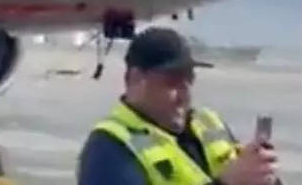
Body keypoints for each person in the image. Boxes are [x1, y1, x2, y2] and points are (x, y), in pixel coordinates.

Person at [77, 27, 279, 185]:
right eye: (172, 81)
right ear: (136, 79)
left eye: (189, 79)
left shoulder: (208, 122)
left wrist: (261, 176)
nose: (184, 94)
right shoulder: (109, 148)